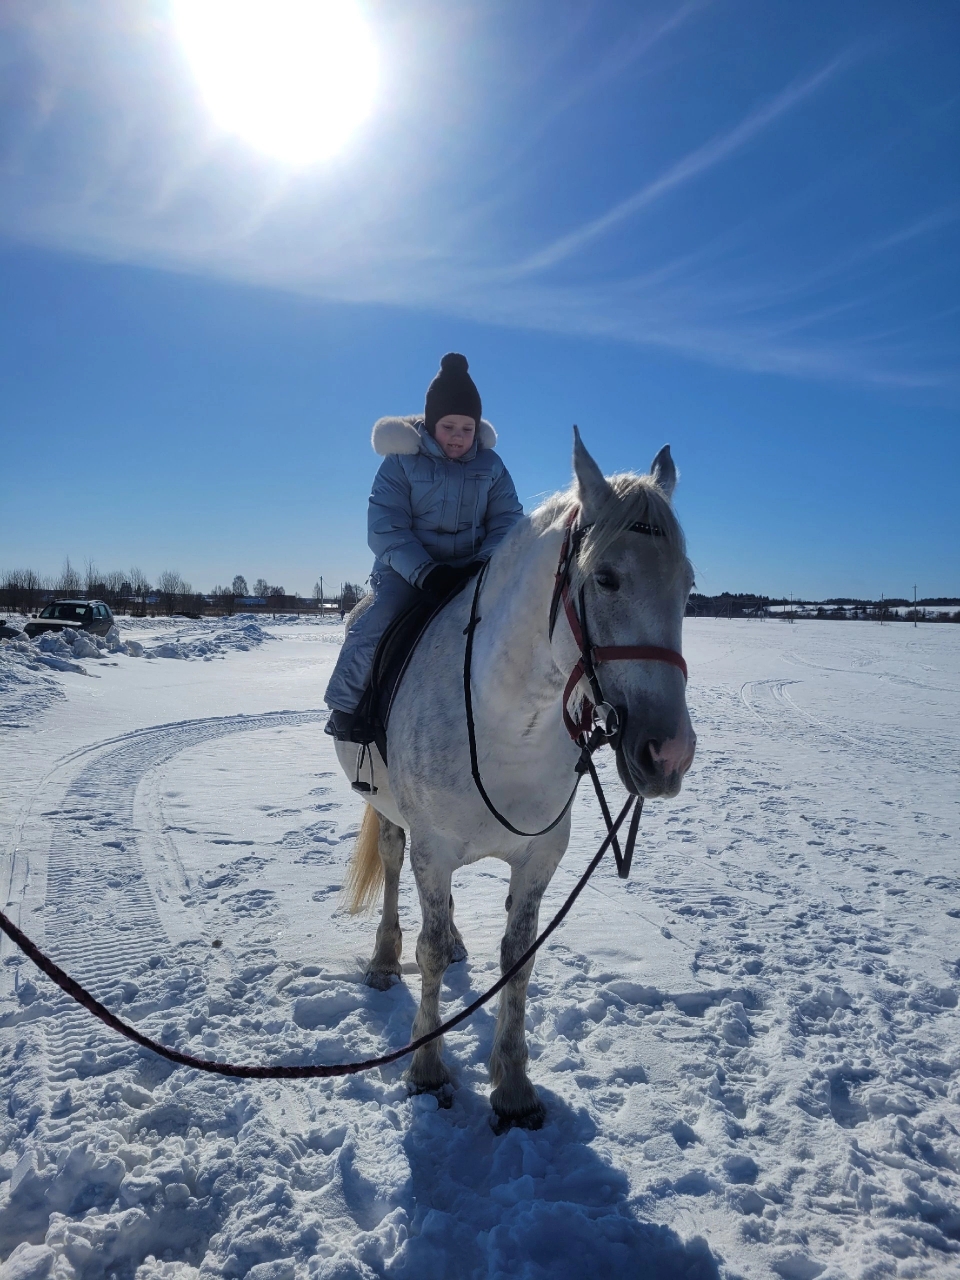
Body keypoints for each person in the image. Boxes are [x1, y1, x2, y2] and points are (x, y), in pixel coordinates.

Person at [324, 352, 524, 740]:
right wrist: (426, 573)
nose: (457, 436)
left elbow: (507, 520)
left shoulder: (493, 466)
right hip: (405, 572)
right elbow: (385, 527)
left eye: (467, 428)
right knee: (379, 619)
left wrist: (482, 563)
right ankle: (345, 707)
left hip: (472, 570)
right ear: (432, 424)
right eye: (449, 426)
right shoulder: (400, 462)